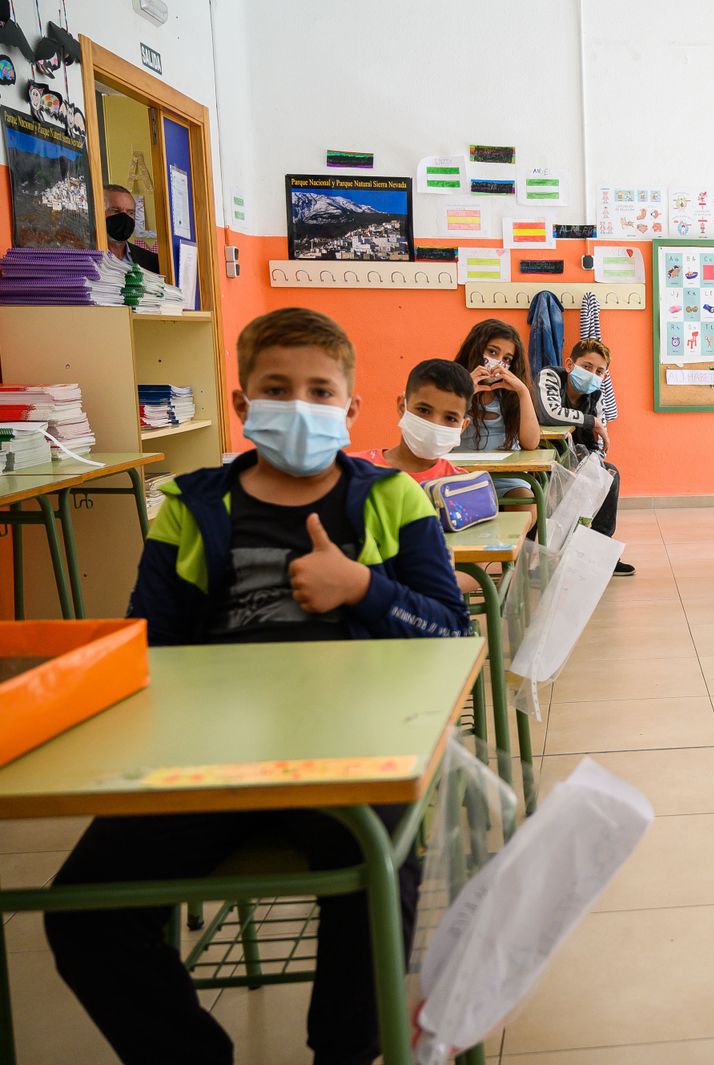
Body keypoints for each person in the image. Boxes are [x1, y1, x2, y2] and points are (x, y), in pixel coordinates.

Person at [44, 308, 471, 1065]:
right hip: (207, 758)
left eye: (319, 390)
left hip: (347, 752)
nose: (299, 405)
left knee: (379, 878)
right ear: (242, 406)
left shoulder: (393, 500)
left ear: (350, 407)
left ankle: (346, 1051)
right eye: (277, 388)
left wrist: (362, 587)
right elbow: (151, 647)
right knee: (82, 909)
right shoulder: (191, 506)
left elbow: (449, 630)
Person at [533, 337, 633, 575]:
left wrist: (593, 462)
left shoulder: (596, 395)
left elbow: (600, 441)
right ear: (570, 364)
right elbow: (549, 414)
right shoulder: (550, 377)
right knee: (553, 486)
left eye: (599, 371)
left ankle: (598, 552)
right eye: (587, 367)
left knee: (609, 474)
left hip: (576, 459)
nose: (592, 374)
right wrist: (592, 421)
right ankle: (542, 556)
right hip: (541, 457)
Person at [452, 319, 540, 501]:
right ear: (475, 349)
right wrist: (463, 391)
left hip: (507, 477)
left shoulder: (511, 395)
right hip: (462, 475)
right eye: (492, 352)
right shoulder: (451, 386)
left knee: (527, 503)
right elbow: (442, 436)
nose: (498, 363)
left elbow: (531, 443)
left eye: (507, 359)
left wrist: (523, 392)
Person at [350, 358, 471, 484]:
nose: (435, 424)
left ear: (463, 426)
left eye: (450, 418)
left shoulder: (462, 487)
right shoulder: (351, 470)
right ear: (402, 406)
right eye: (424, 410)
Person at [103, 183, 161, 273]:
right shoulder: (82, 259)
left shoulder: (153, 262)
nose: (124, 217)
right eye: (115, 211)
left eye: (130, 213)